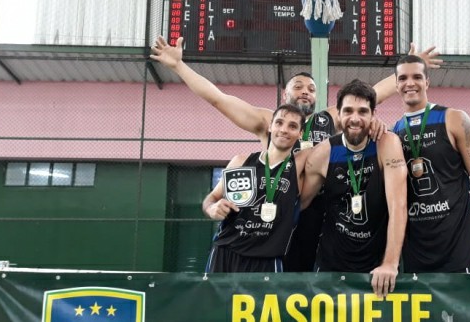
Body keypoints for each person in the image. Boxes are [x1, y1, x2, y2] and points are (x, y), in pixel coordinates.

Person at [151, 36, 440, 272]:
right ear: (284, 95)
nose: (305, 91)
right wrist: (179, 66)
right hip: (275, 214)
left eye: (311, 89)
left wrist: (409, 71)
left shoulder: (329, 119)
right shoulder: (270, 121)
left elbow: (369, 97)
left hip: (318, 209)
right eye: (298, 86)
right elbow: (218, 99)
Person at [391, 55, 470, 273]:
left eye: (417, 77)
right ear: (396, 85)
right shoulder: (393, 133)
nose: (410, 83)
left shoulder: (455, 119)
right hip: (417, 250)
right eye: (403, 78)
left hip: (459, 246)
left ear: (427, 82)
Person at [300, 79, 407, 297]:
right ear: (338, 115)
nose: (355, 118)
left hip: (377, 265)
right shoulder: (323, 153)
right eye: (348, 111)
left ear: (373, 114)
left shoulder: (387, 144)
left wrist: (390, 263)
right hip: (331, 263)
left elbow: (399, 205)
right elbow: (299, 203)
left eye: (363, 111)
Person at [202, 104, 308, 272]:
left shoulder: (300, 167)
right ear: (270, 126)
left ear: (300, 133)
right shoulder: (241, 162)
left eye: (292, 126)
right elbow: (212, 197)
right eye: (279, 123)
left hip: (266, 260)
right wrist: (211, 208)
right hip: (226, 252)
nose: (284, 130)